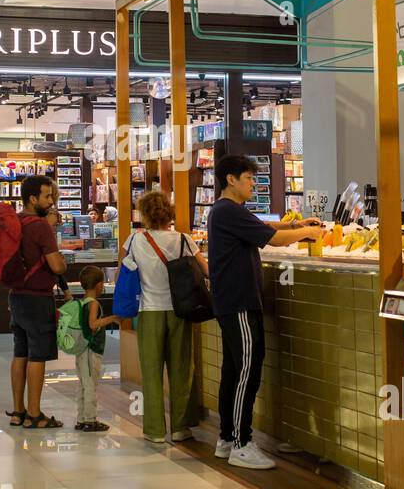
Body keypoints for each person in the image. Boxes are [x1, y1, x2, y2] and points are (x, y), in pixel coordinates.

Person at [209, 155, 324, 470]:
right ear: (231, 179)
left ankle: (227, 439)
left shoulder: (227, 212)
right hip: (239, 303)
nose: (252, 184)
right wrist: (305, 234)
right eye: (248, 178)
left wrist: (295, 225)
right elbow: (270, 238)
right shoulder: (227, 211)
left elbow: (264, 228)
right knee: (248, 369)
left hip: (233, 303)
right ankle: (242, 443)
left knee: (234, 371)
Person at [122, 189, 208, 445]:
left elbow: (122, 276)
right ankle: (180, 428)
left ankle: (155, 429)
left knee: (151, 371)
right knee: (181, 368)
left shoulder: (134, 241)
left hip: (149, 312)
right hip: (179, 311)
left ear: (145, 214)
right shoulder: (183, 240)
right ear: (169, 213)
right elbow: (205, 271)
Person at [6, 176, 67, 429]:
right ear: (33, 198)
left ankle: (18, 411)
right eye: (47, 196)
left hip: (16, 297)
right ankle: (35, 414)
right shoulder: (41, 227)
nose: (51, 201)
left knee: (20, 352)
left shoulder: (16, 221)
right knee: (38, 355)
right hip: (38, 298)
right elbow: (55, 264)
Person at [74, 264, 118, 433]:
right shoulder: (93, 304)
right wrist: (112, 318)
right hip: (91, 351)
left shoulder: (82, 302)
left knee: (83, 385)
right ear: (99, 284)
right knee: (91, 385)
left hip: (81, 351)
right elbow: (93, 324)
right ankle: (91, 420)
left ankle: (82, 418)